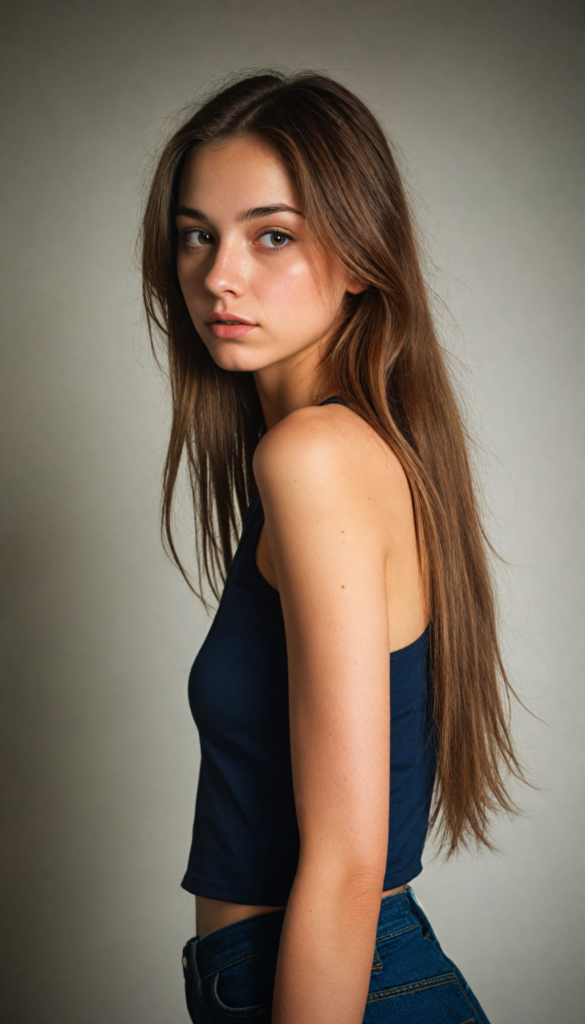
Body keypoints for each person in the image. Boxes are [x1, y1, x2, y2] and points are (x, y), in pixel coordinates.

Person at [141, 70, 524, 1024]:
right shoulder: (351, 446)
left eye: (272, 235)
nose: (219, 274)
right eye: (198, 234)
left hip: (332, 987)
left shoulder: (313, 456)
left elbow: (351, 861)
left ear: (360, 258)